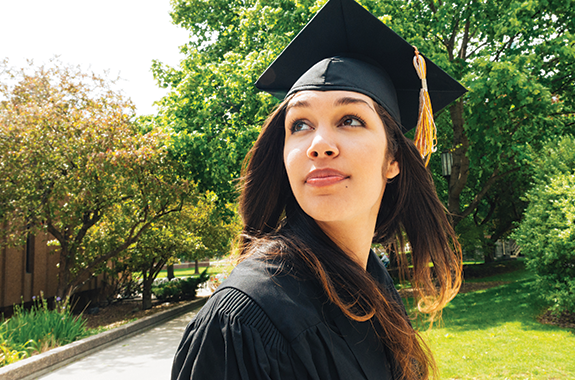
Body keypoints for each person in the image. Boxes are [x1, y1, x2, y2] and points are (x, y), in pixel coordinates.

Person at [171, 0, 466, 379]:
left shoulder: (373, 283)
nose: (319, 143)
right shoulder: (242, 321)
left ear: (393, 159)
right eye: (300, 125)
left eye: (350, 119)